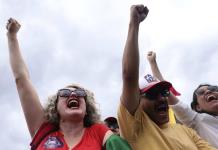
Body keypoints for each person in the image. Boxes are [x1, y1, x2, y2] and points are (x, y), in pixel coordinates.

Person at [6, 18, 130, 150]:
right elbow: (21, 79)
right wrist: (12, 36)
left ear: (87, 109)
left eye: (80, 93)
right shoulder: (43, 129)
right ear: (55, 107)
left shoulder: (98, 132)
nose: (73, 95)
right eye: (65, 93)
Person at [118, 4, 216, 150]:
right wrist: (134, 24)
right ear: (137, 100)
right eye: (151, 94)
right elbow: (129, 76)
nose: (162, 98)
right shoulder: (135, 128)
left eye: (163, 93)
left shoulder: (186, 131)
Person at [147, 50, 218, 148]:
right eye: (201, 92)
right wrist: (153, 63)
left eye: (213, 89)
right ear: (198, 107)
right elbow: (165, 90)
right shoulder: (198, 121)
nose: (208, 92)